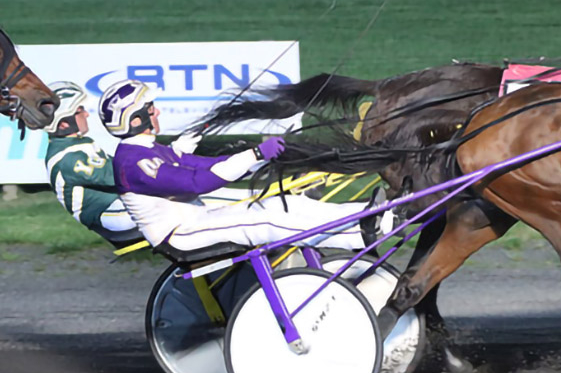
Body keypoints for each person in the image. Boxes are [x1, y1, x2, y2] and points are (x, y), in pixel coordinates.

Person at [100, 79, 391, 254]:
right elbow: (197, 183)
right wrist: (254, 154)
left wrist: (259, 158)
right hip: (179, 235)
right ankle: (357, 236)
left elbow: (210, 166)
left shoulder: (153, 151)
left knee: (280, 205)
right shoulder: (132, 162)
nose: (158, 111)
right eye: (151, 108)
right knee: (265, 223)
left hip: (197, 221)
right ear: (136, 119)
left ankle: (365, 214)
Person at [43, 82, 142, 244]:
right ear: (63, 123)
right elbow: (118, 176)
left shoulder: (79, 144)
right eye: (80, 111)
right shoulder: (68, 157)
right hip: (109, 216)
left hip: (118, 206)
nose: (87, 114)